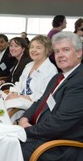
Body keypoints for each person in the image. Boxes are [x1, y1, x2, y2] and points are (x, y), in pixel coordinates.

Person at [20, 31, 83, 161]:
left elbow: (59, 124)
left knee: (9, 147)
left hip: (60, 146)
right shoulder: (58, 77)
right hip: (43, 134)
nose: (60, 55)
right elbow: (40, 101)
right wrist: (24, 117)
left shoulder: (80, 80)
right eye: (57, 51)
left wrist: (27, 130)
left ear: (79, 53)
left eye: (66, 50)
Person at [5, 35, 57, 122]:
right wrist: (14, 92)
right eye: (32, 47)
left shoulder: (50, 70)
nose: (33, 50)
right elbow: (20, 83)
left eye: (38, 47)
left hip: (33, 106)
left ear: (47, 50)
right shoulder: (29, 65)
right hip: (20, 100)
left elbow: (43, 97)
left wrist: (19, 96)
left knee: (4, 109)